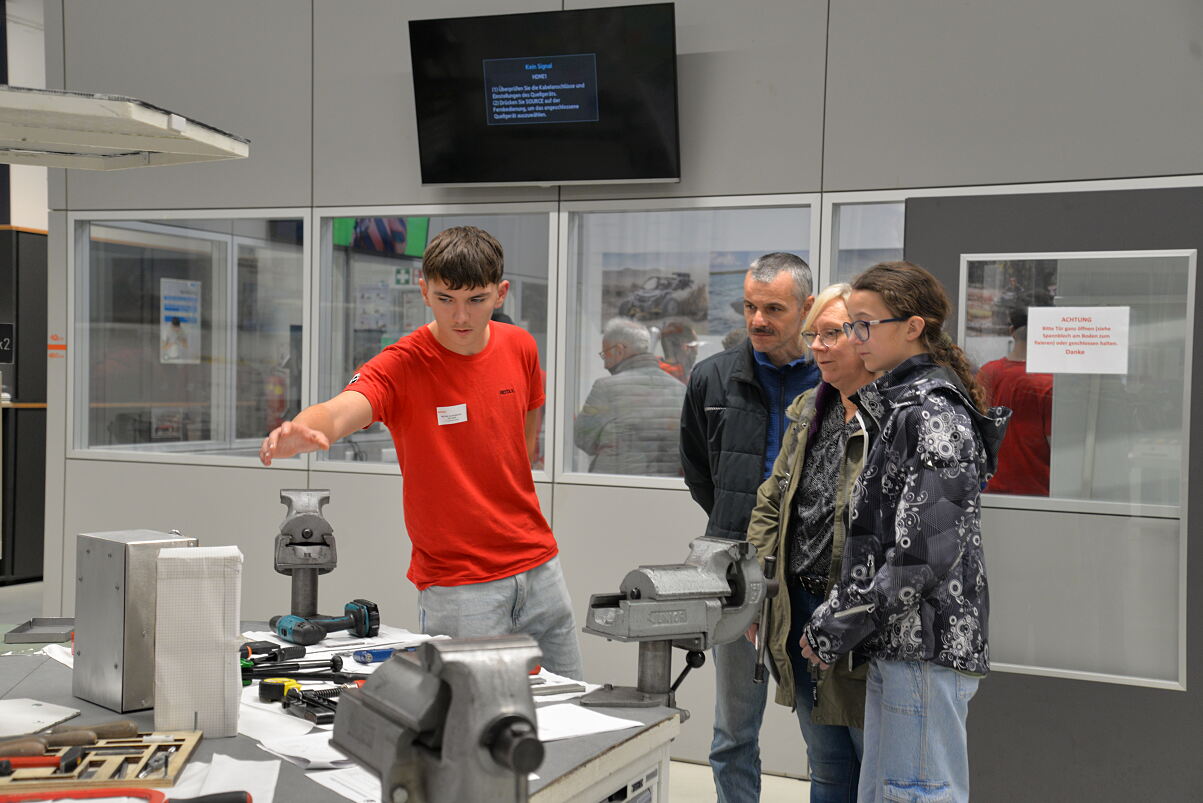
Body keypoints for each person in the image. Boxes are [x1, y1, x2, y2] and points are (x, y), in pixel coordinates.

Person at [259, 225, 582, 679]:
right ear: (424, 291)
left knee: (571, 709)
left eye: (476, 299)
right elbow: (341, 409)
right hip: (460, 586)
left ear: (501, 293)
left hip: (540, 567)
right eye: (446, 298)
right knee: (470, 729)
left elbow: (525, 443)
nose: (461, 316)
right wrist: (307, 429)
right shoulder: (402, 364)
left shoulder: (520, 346)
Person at [801, 262, 1010, 803]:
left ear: (913, 327)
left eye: (864, 324)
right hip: (902, 642)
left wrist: (837, 624)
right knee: (888, 791)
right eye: (852, 325)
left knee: (915, 792)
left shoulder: (933, 415)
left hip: (924, 646)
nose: (854, 338)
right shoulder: (901, 408)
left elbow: (925, 555)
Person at [680, 252, 819, 803]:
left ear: (807, 308)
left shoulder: (835, 376)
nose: (758, 320)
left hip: (812, 574)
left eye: (774, 309)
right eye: (750, 307)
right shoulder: (712, 377)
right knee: (734, 730)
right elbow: (698, 472)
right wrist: (738, 528)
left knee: (824, 730)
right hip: (734, 571)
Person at [746, 283, 876, 802]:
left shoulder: (892, 416)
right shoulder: (808, 408)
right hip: (797, 606)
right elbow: (771, 503)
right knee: (825, 764)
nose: (817, 346)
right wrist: (759, 586)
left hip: (862, 615)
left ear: (865, 338)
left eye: (831, 334)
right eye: (813, 334)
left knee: (875, 764)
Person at [574, 318, 686, 476]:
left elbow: (583, 439)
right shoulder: (680, 389)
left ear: (619, 350)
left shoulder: (605, 388)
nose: (605, 365)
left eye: (604, 355)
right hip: (664, 487)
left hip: (616, 486)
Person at [976, 303, 1053, 495]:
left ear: (1012, 332)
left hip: (990, 489)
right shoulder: (1048, 382)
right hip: (1037, 492)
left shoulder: (986, 373)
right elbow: (1055, 444)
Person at [658, 318, 699, 382]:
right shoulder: (683, 379)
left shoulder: (655, 369)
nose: (696, 352)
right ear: (686, 347)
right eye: (695, 346)